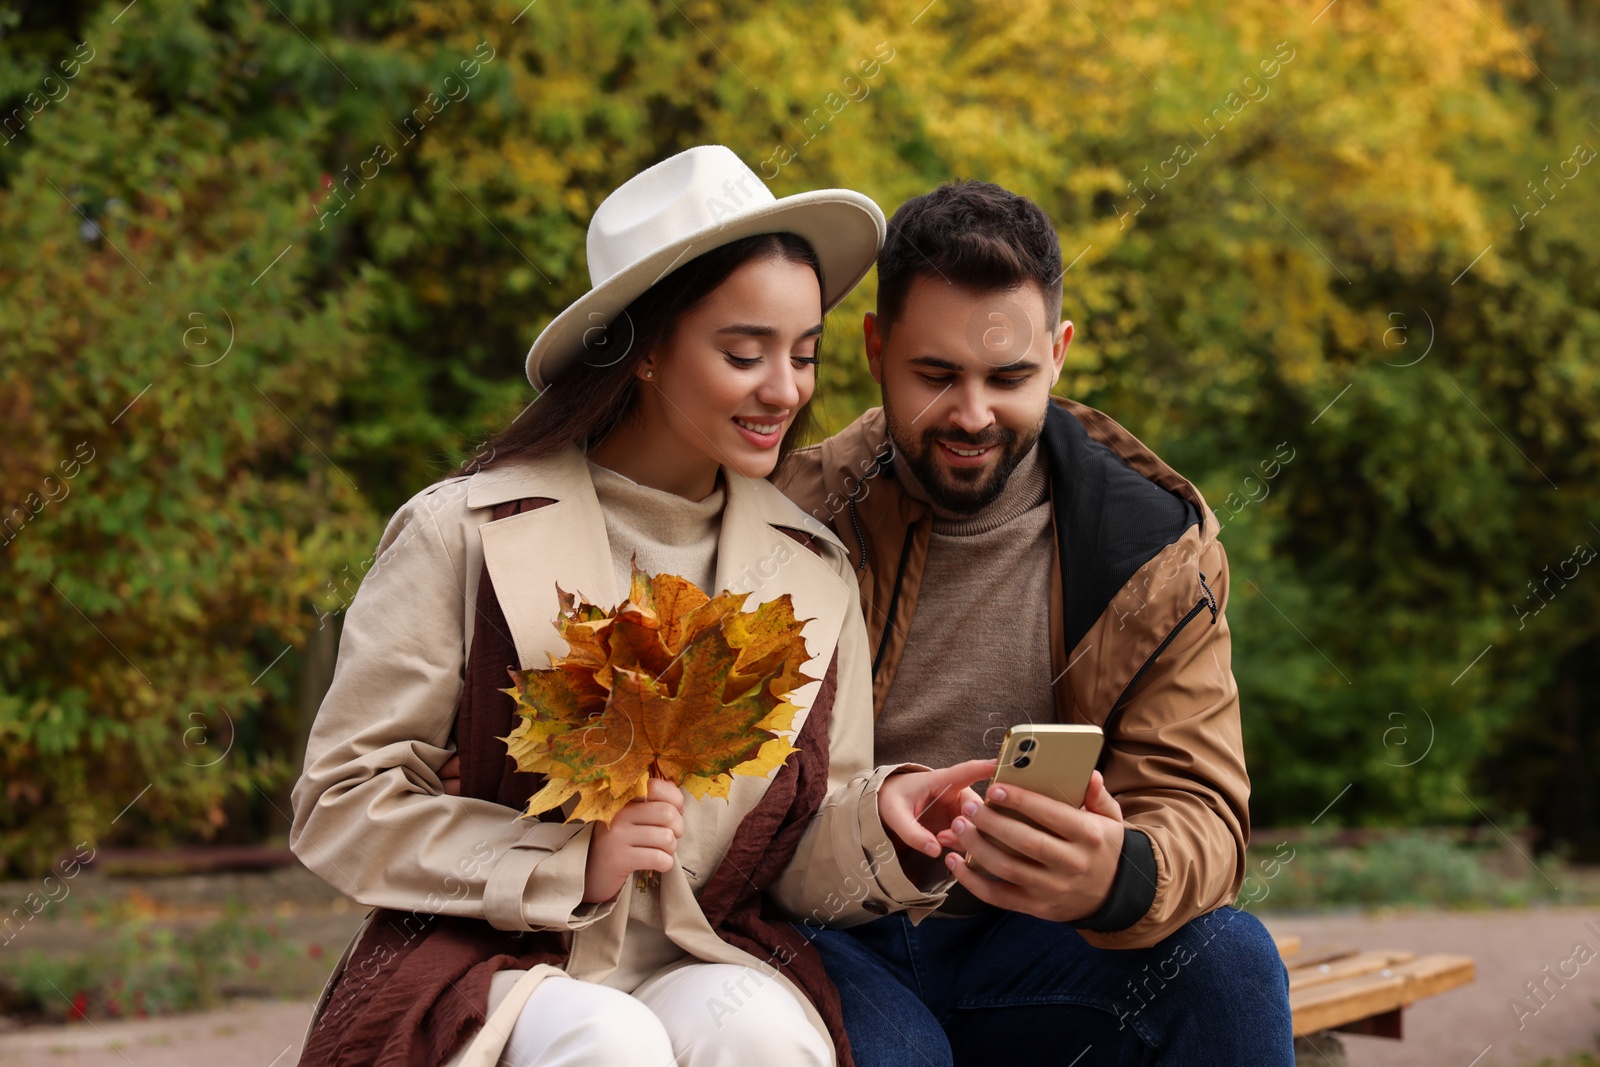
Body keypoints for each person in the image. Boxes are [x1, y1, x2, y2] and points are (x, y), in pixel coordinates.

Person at [289, 146, 992, 1067]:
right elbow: (342, 802)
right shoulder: (458, 531)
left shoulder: (812, 572)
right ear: (648, 348)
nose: (785, 390)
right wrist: (565, 862)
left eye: (805, 354)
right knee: (606, 1039)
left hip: (703, 952)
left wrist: (893, 824)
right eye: (745, 353)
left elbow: (798, 844)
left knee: (769, 1032)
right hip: (492, 954)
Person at [775, 181, 1296, 1065]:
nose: (972, 414)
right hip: (825, 937)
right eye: (935, 375)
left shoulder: (1154, 542)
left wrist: (1116, 876)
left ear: (1057, 355)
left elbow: (1201, 805)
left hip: (1028, 943)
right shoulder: (791, 511)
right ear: (875, 349)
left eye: (1008, 377)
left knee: (1231, 962)